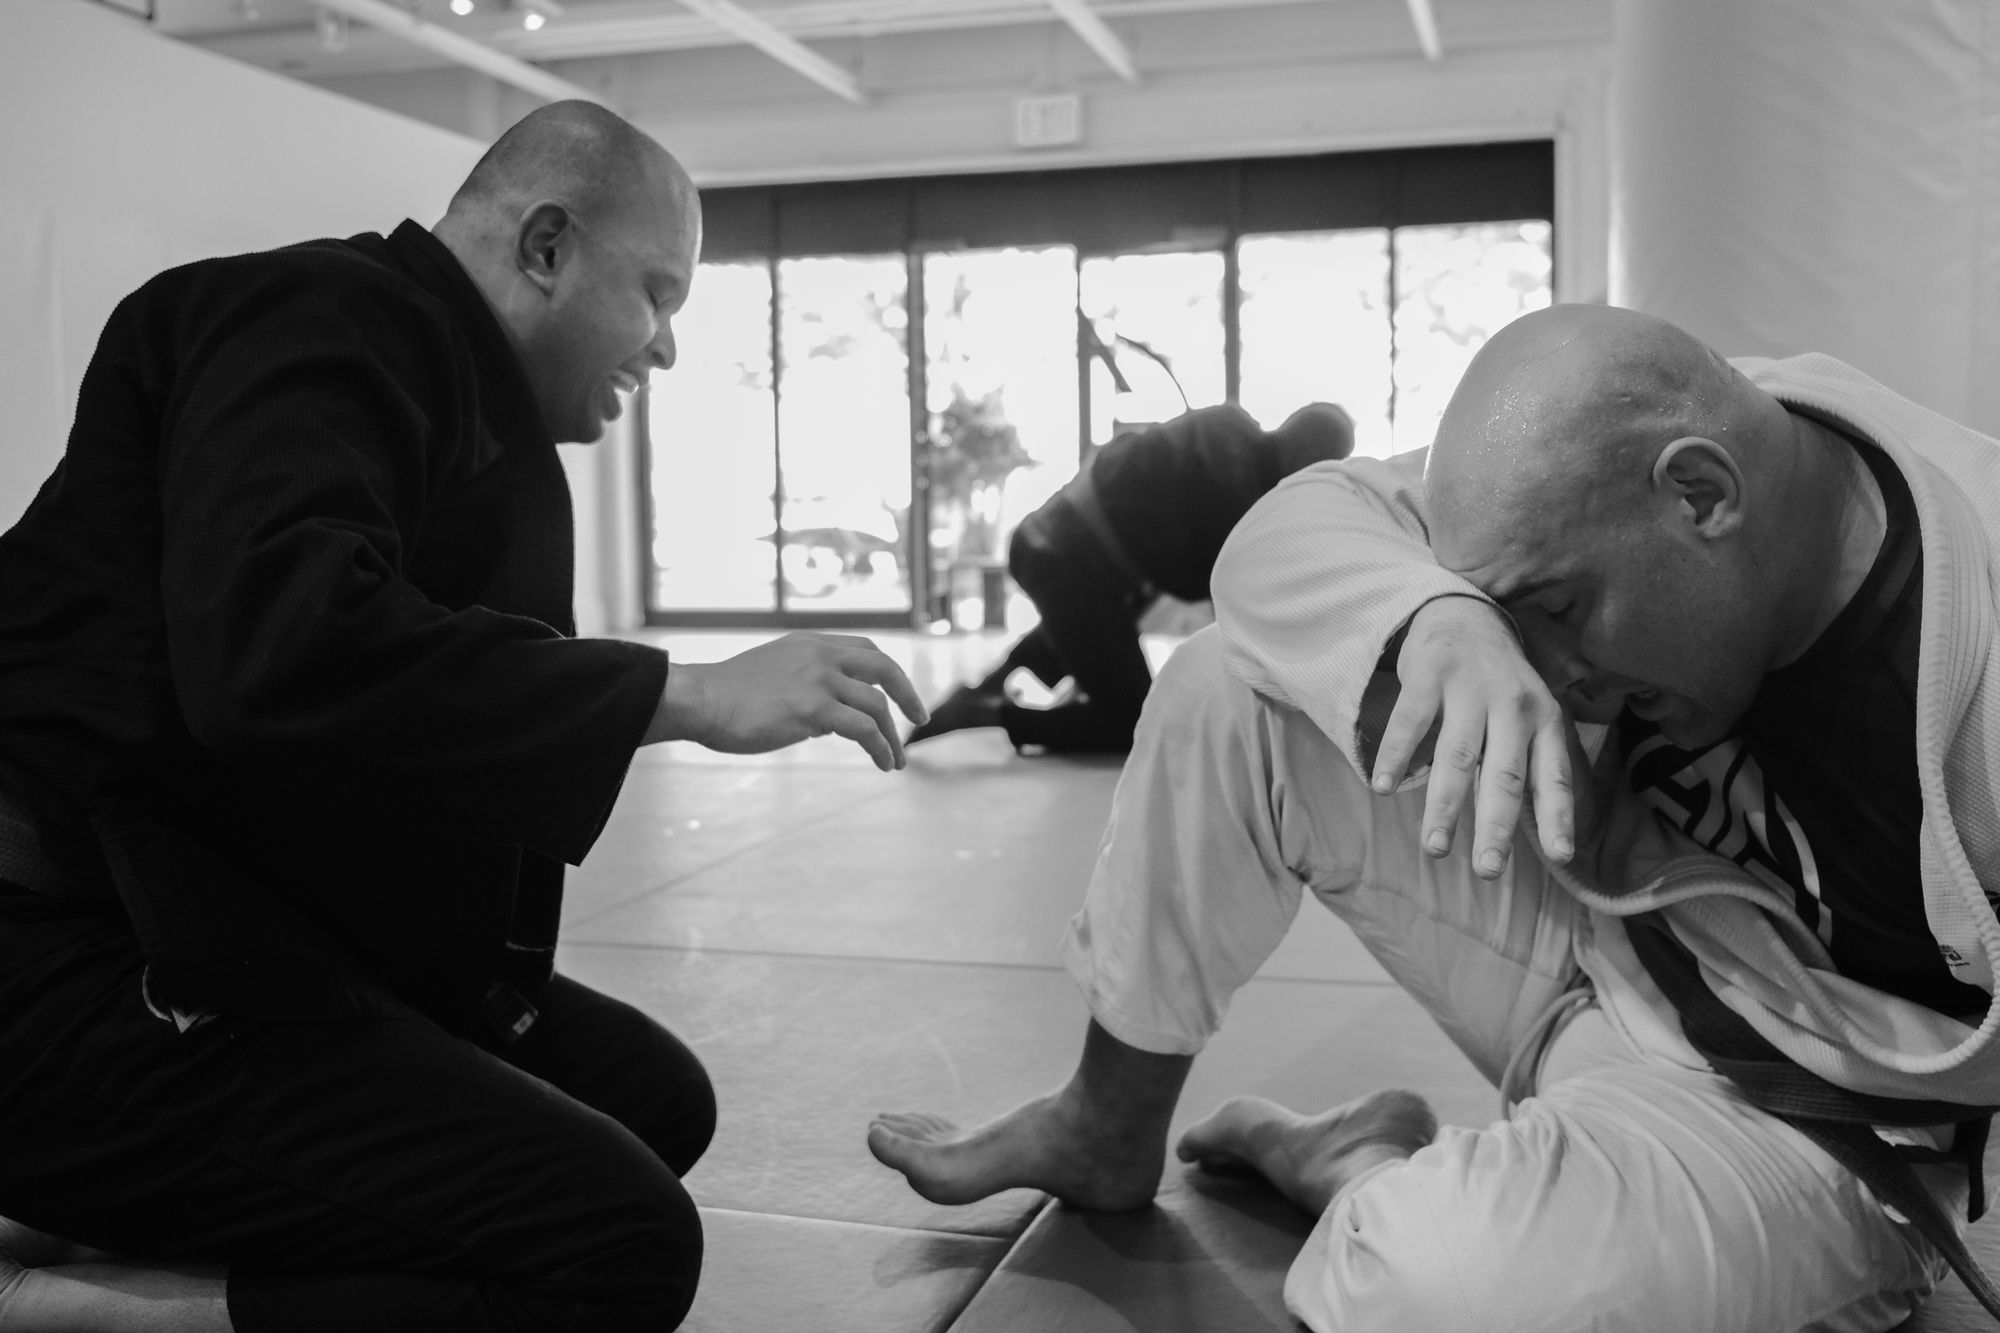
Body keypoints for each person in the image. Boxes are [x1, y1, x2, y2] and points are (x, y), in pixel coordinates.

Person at [870, 302, 2000, 1331]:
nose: (1551, 675)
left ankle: (1361, 1167)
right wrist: (1440, 619)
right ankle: (1105, 1122)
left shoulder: (1970, 621)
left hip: (1809, 1120)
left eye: (1559, 609)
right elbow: (1287, 529)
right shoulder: (1616, 449)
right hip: (1597, 942)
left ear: (1703, 498)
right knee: (1230, 683)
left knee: (1429, 1290)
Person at [0, 101, 924, 1333]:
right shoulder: (320, 320)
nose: (664, 349)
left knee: (648, 1100)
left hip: (212, 910)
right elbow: (282, 651)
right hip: (65, 951)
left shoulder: (442, 386)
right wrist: (684, 693)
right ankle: (65, 1301)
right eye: (656, 295)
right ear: (546, 246)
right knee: (618, 1244)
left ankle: (102, 1211)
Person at [908, 400, 1353, 754]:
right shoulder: (1249, 499)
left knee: (1102, 613)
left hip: (1044, 544)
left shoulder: (1226, 421)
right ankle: (988, 715)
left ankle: (988, 686)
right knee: (1134, 723)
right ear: (1311, 459)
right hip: (1067, 568)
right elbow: (1214, 593)